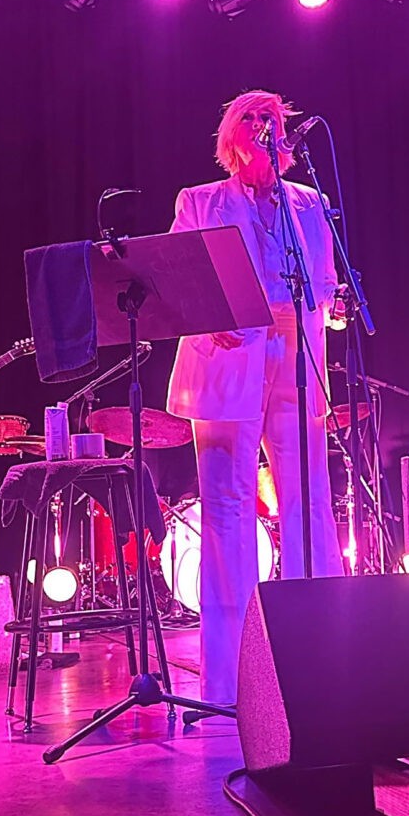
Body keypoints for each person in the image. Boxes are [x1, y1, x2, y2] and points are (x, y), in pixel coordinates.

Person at [166, 90, 344, 705]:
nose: (265, 125)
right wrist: (202, 313)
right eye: (251, 115)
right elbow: (177, 282)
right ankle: (233, 675)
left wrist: (331, 309)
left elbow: (323, 287)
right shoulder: (200, 201)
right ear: (229, 134)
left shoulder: (309, 203)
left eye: (273, 118)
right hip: (227, 353)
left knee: (309, 497)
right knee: (228, 508)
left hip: (295, 350)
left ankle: (324, 656)